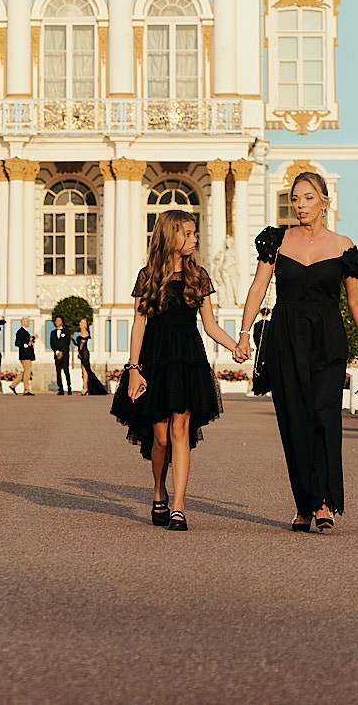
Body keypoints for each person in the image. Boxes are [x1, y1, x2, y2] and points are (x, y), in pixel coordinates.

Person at [235, 172, 358, 534]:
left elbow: (356, 301)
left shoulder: (343, 247)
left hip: (328, 340)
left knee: (324, 417)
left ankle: (324, 502)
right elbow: (258, 288)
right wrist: (244, 334)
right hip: (286, 339)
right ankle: (304, 504)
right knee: (294, 422)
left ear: (325, 202)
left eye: (308, 198)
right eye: (295, 199)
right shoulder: (277, 241)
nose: (300, 205)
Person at [111, 209, 242, 531]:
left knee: (180, 430)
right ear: (171, 236)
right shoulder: (148, 277)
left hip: (187, 359)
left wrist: (235, 346)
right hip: (155, 360)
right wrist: (133, 369)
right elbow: (139, 325)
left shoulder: (199, 277)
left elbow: (210, 325)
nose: (194, 239)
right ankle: (159, 491)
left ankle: (179, 507)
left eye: (195, 233)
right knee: (160, 438)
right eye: (188, 233)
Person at [77, 319, 107, 395]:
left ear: (85, 325)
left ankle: (85, 388)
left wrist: (79, 352)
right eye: (81, 322)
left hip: (84, 353)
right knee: (84, 370)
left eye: (83, 323)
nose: (81, 324)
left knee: (86, 371)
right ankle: (85, 387)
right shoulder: (81, 332)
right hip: (82, 352)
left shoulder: (84, 332)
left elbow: (82, 343)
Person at [48, 315, 73, 395]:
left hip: (65, 354)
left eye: (59, 320)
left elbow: (67, 343)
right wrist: (57, 352)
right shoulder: (53, 333)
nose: (57, 322)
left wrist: (62, 352)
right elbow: (52, 343)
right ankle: (60, 388)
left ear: (62, 322)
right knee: (58, 371)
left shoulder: (66, 331)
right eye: (56, 321)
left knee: (66, 370)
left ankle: (69, 387)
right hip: (57, 354)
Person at [13, 318, 36, 395]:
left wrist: (32, 339)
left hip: (28, 354)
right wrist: (26, 345)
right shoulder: (20, 332)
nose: (28, 322)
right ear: (22, 322)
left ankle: (13, 385)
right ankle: (26, 390)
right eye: (26, 321)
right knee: (27, 372)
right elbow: (17, 343)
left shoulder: (26, 332)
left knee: (26, 372)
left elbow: (27, 340)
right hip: (25, 355)